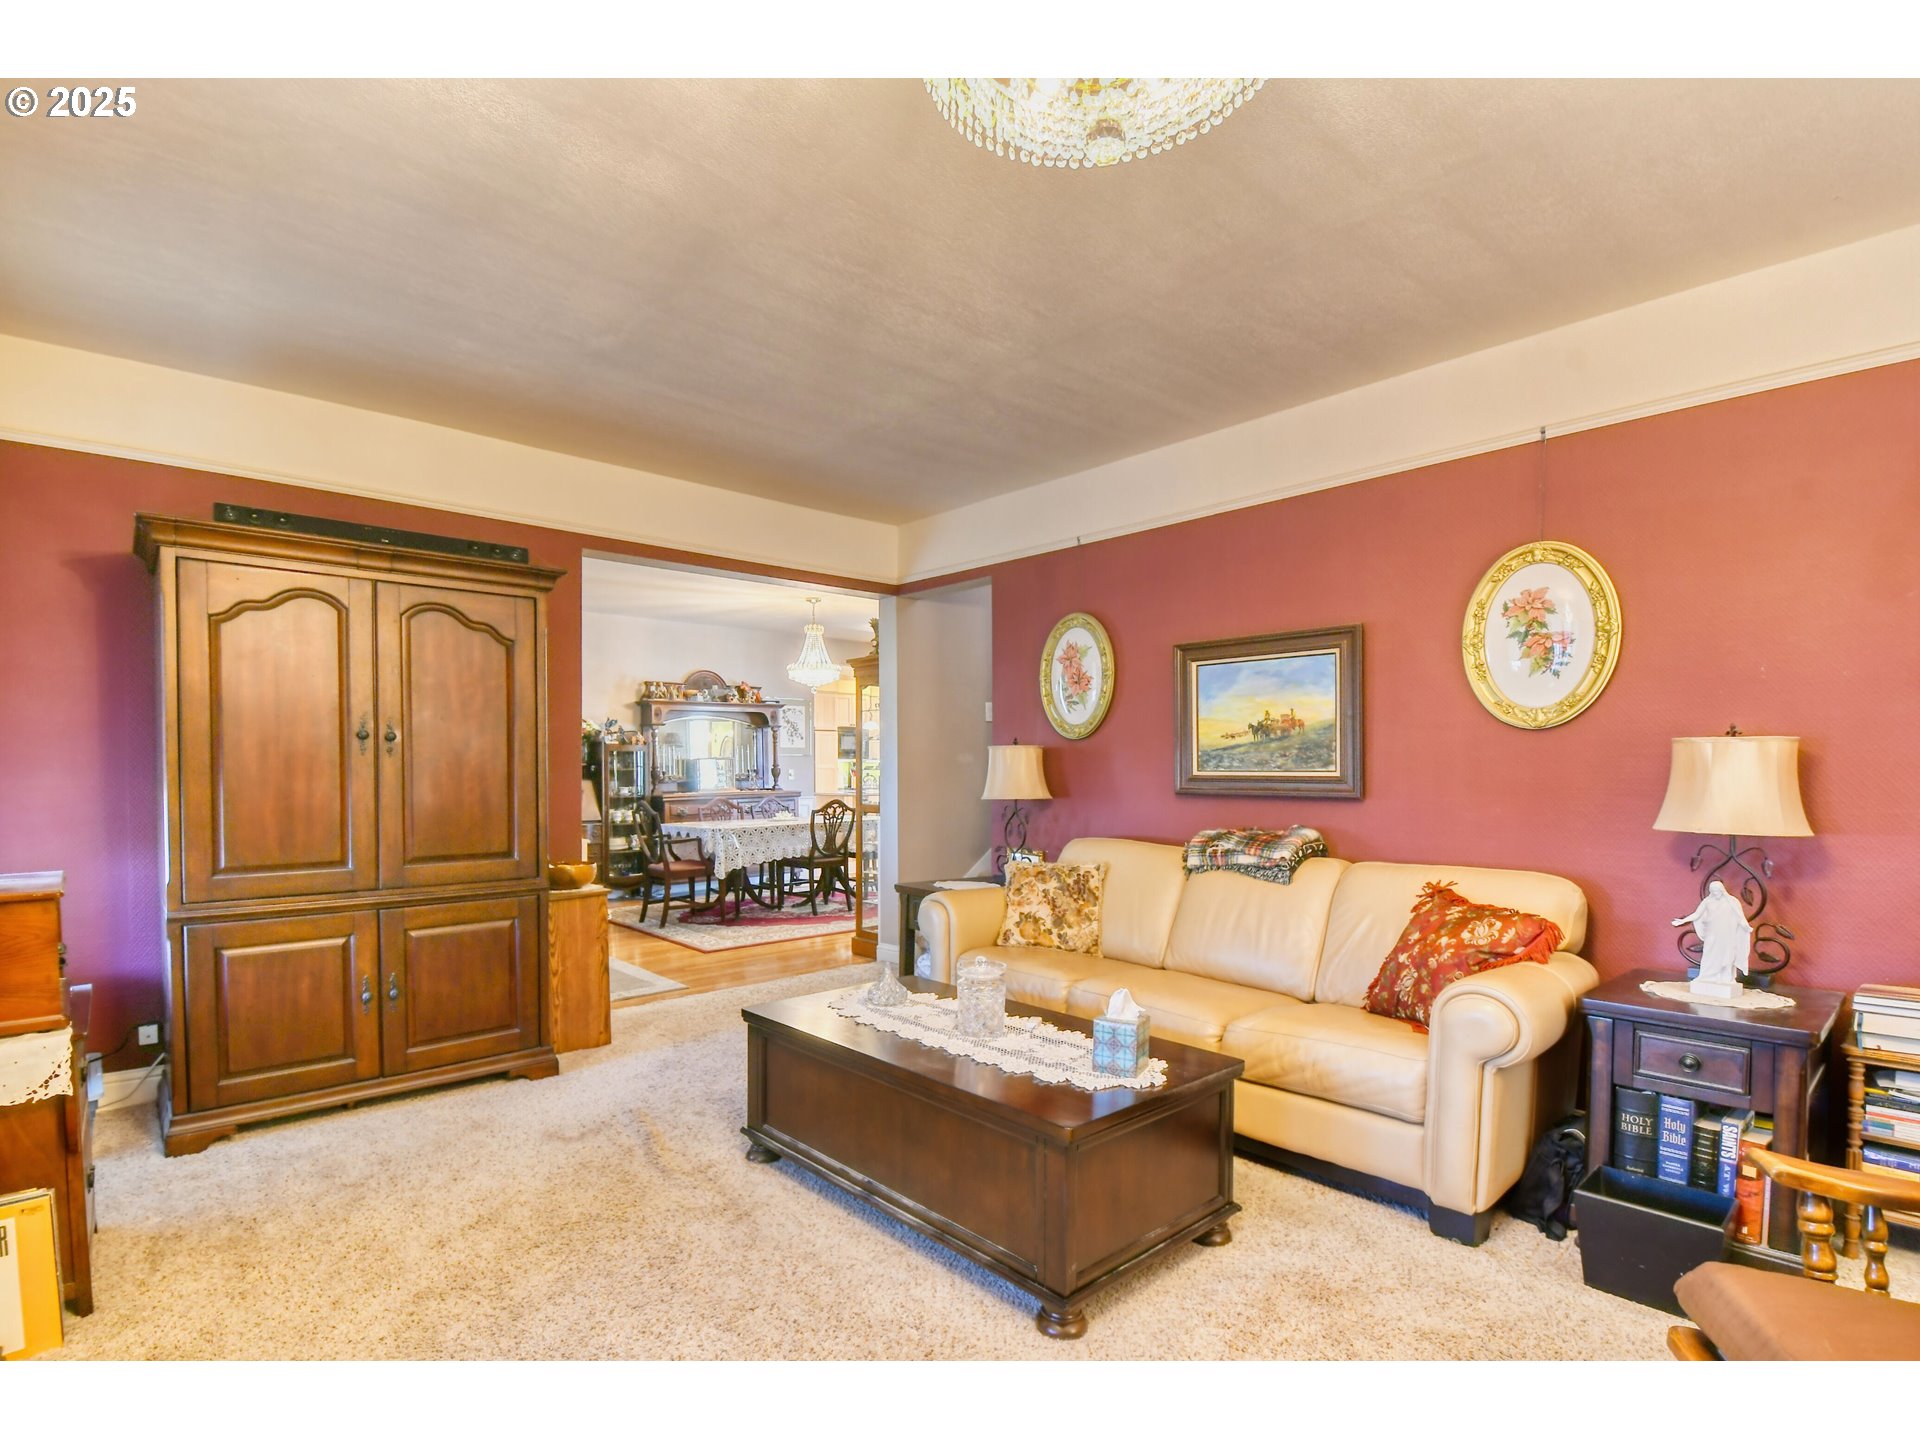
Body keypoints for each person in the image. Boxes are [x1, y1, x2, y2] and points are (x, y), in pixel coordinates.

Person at [1672, 880, 1752, 996]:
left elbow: (1740, 916)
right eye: (1713, 891)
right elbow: (1697, 914)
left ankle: (1724, 977)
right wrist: (1683, 920)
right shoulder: (1708, 901)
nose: (1715, 893)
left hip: (1726, 933)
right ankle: (1707, 976)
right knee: (1709, 953)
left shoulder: (1732, 902)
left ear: (1722, 890)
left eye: (1717, 891)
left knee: (1726, 954)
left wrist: (1745, 926)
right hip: (1712, 933)